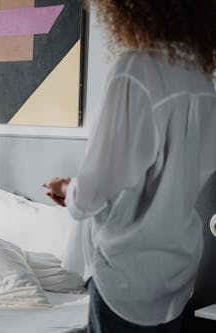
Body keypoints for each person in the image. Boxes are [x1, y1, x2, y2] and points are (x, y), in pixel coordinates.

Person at [44, 1, 216, 332]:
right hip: (176, 277)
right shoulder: (201, 79)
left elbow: (90, 195)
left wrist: (66, 189)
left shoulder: (136, 69)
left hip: (125, 278)